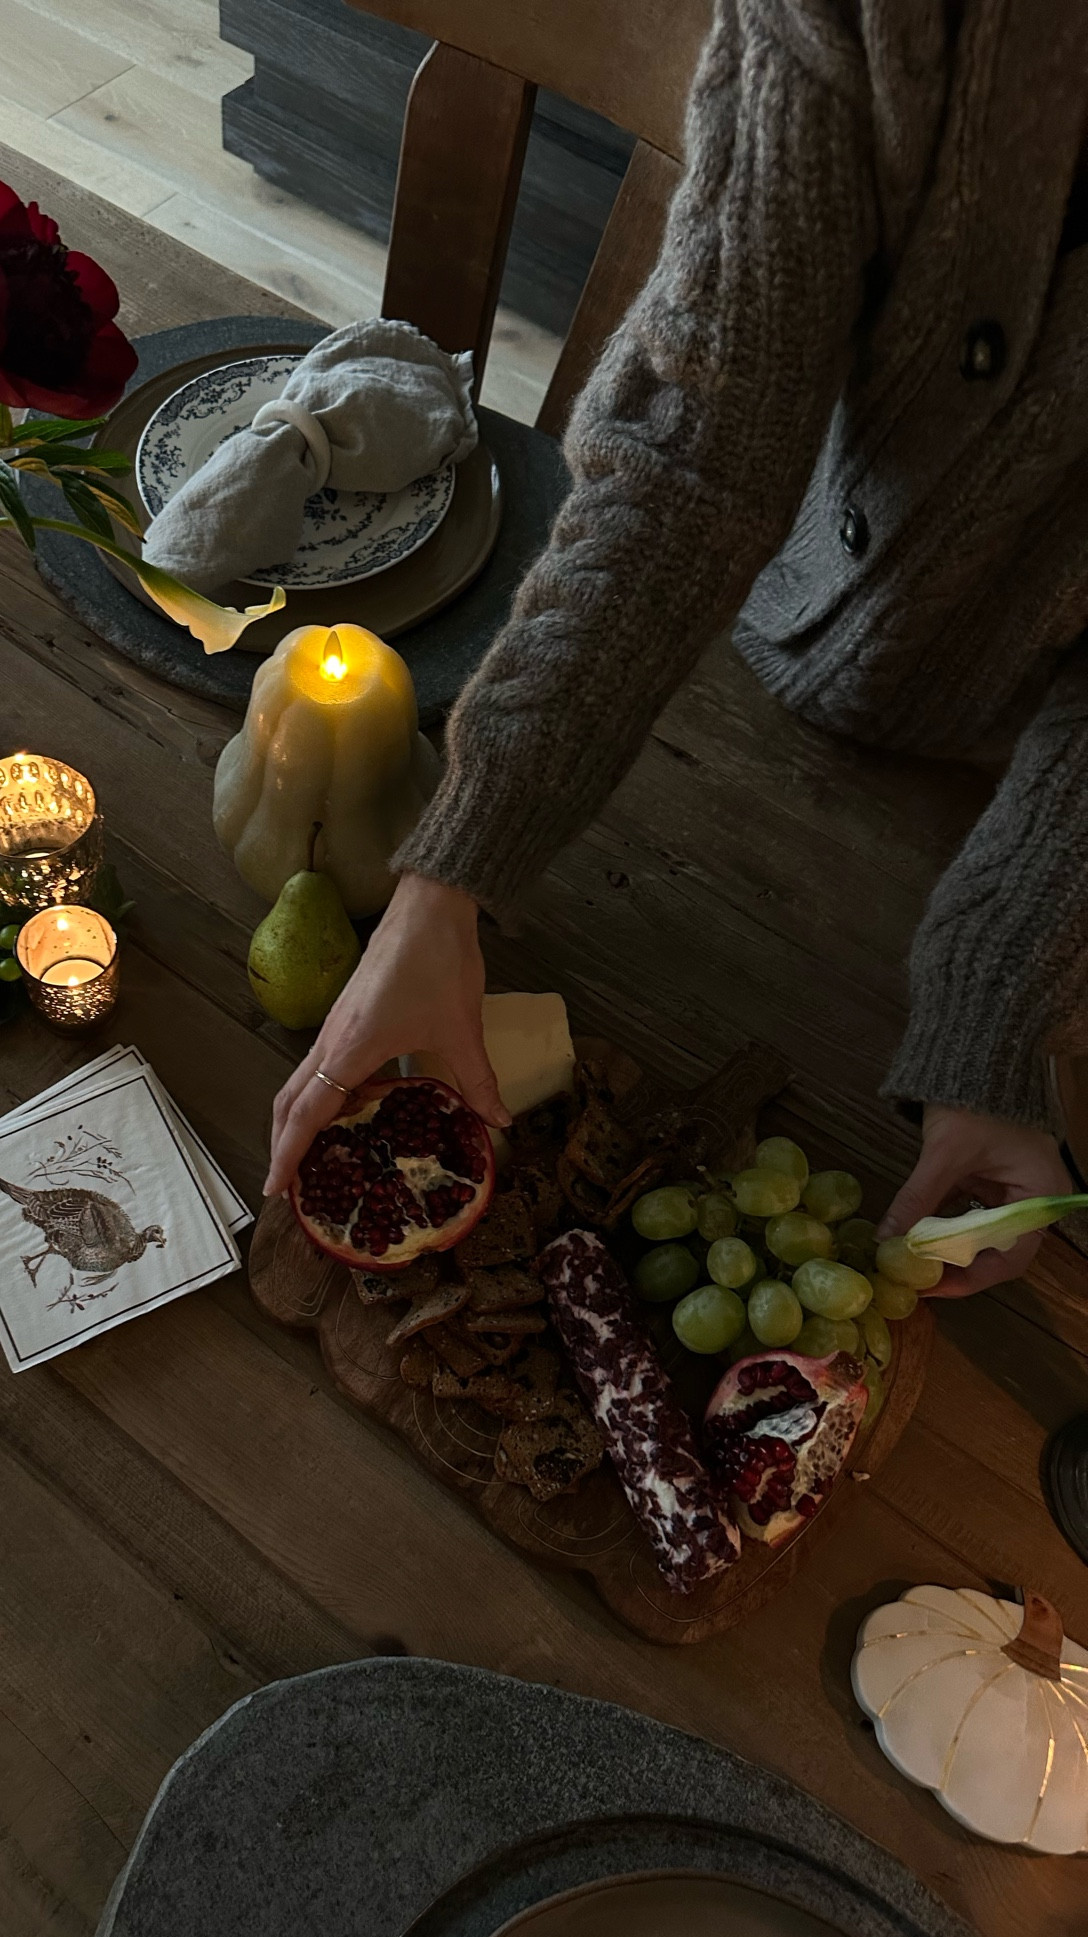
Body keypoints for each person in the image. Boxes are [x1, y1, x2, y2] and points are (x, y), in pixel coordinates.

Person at [265, 0, 1088, 1297]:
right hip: (705, 647)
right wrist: (456, 870)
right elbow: (697, 453)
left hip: (1037, 807)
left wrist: (997, 996)